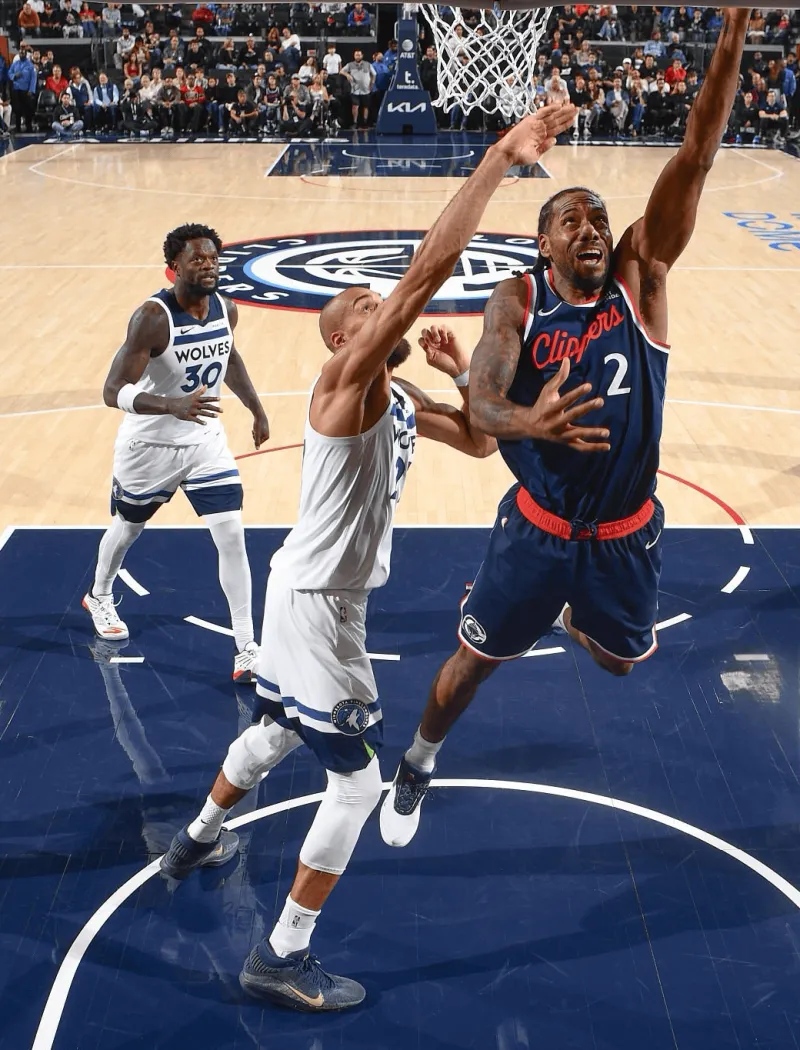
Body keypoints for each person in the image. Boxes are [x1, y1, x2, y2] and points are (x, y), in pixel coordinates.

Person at [159, 105, 576, 1012]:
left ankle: (196, 837)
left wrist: (461, 370)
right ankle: (282, 954)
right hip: (319, 604)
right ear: (344, 339)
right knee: (354, 785)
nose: (376, 302)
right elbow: (428, 270)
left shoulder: (395, 391)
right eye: (361, 306)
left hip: (304, 588)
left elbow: (480, 441)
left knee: (276, 728)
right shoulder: (342, 382)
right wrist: (501, 157)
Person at [380, 9, 752, 847]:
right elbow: (481, 410)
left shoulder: (641, 277)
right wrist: (533, 421)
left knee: (619, 661)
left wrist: (733, 27)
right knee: (470, 667)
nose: (592, 228)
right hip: (538, 532)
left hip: (624, 533)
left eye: (599, 217)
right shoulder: (516, 299)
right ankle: (417, 761)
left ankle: (572, 617)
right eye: (571, 219)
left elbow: (697, 152)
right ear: (542, 242)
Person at [83, 224, 270, 685]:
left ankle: (246, 648)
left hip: (204, 442)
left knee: (232, 535)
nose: (208, 266)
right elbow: (112, 391)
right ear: (175, 267)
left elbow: (229, 358)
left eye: (213, 258)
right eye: (197, 259)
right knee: (128, 527)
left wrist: (256, 407)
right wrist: (171, 405)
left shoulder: (226, 307)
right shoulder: (153, 317)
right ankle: (99, 594)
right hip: (150, 446)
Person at [342, 48, 374, 128]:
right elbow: (341, 71)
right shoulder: (350, 64)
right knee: (355, 106)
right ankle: (355, 122)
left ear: (362, 56)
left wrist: (372, 84)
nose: (358, 56)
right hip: (355, 89)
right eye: (356, 55)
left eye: (359, 55)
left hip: (366, 89)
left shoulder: (368, 64)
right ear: (354, 56)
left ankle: (365, 122)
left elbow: (374, 74)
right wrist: (347, 75)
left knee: (366, 106)